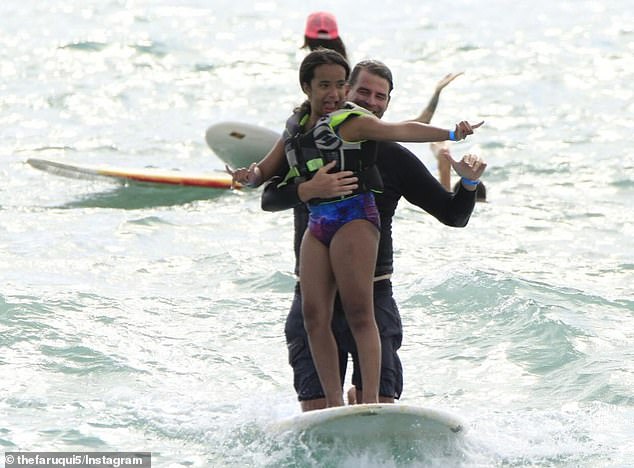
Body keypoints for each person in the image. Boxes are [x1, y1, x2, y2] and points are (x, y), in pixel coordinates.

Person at [229, 49, 483, 408]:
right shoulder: (309, 141)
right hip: (314, 292)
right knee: (320, 411)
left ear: (388, 103)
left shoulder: (393, 156)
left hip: (373, 295)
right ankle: (336, 403)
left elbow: (452, 215)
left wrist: (469, 184)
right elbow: (268, 197)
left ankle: (360, 398)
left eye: (381, 96)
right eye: (363, 92)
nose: (371, 102)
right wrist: (306, 189)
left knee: (375, 406)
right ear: (346, 92)